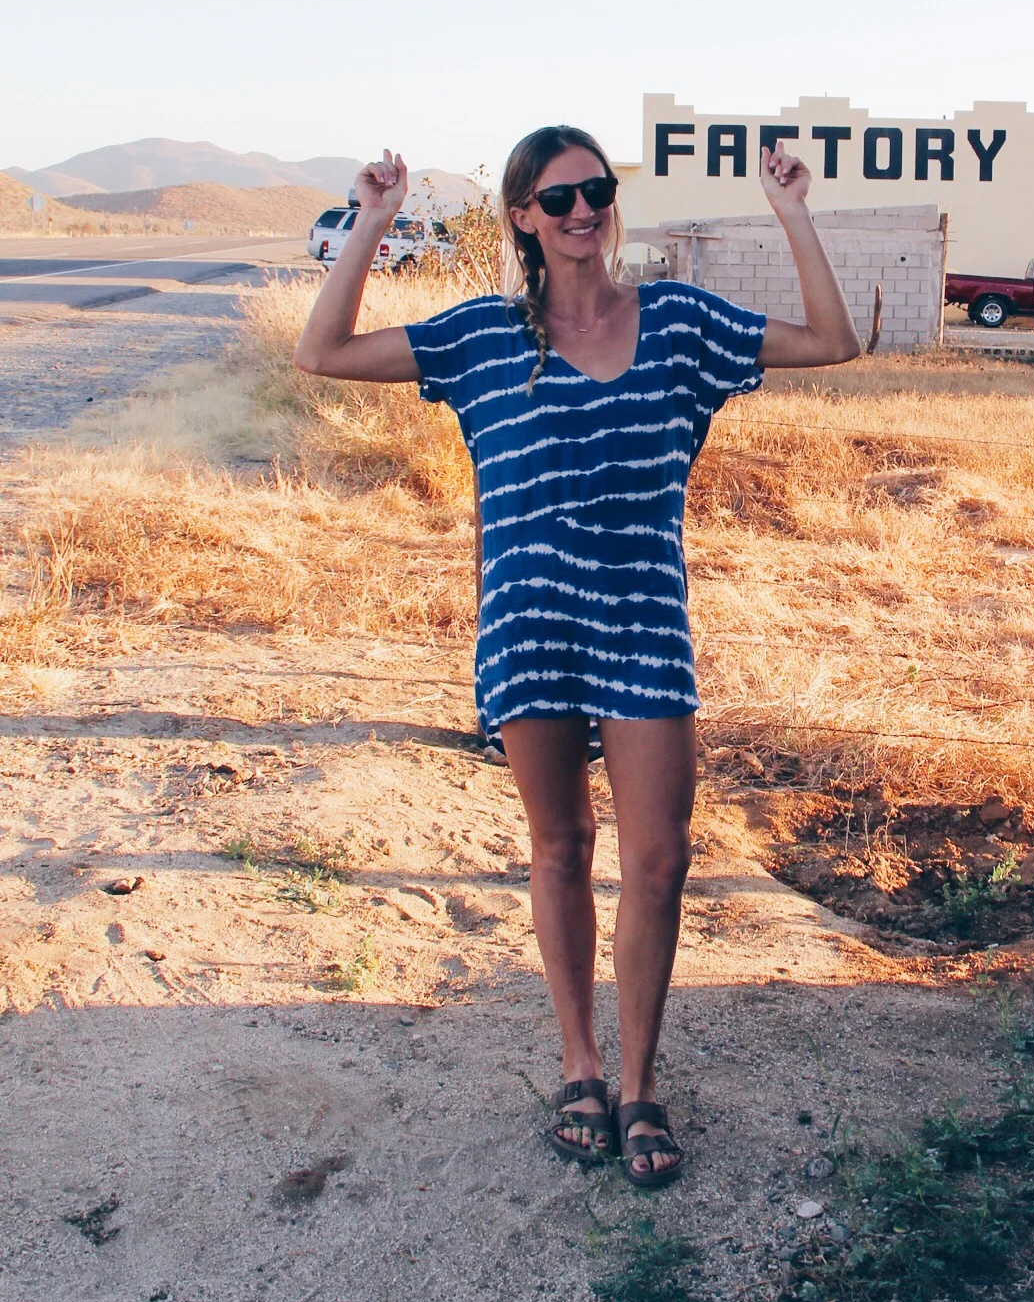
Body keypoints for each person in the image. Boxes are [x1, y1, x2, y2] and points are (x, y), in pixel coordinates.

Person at [294, 128, 860, 1186]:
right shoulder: (482, 337)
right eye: (558, 200)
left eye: (596, 192)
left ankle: (643, 1085)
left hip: (644, 621)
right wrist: (369, 223)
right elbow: (320, 353)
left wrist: (793, 212)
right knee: (560, 849)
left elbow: (833, 341)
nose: (583, 212)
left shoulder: (680, 322)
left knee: (659, 859)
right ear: (522, 217)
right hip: (530, 627)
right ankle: (580, 1066)